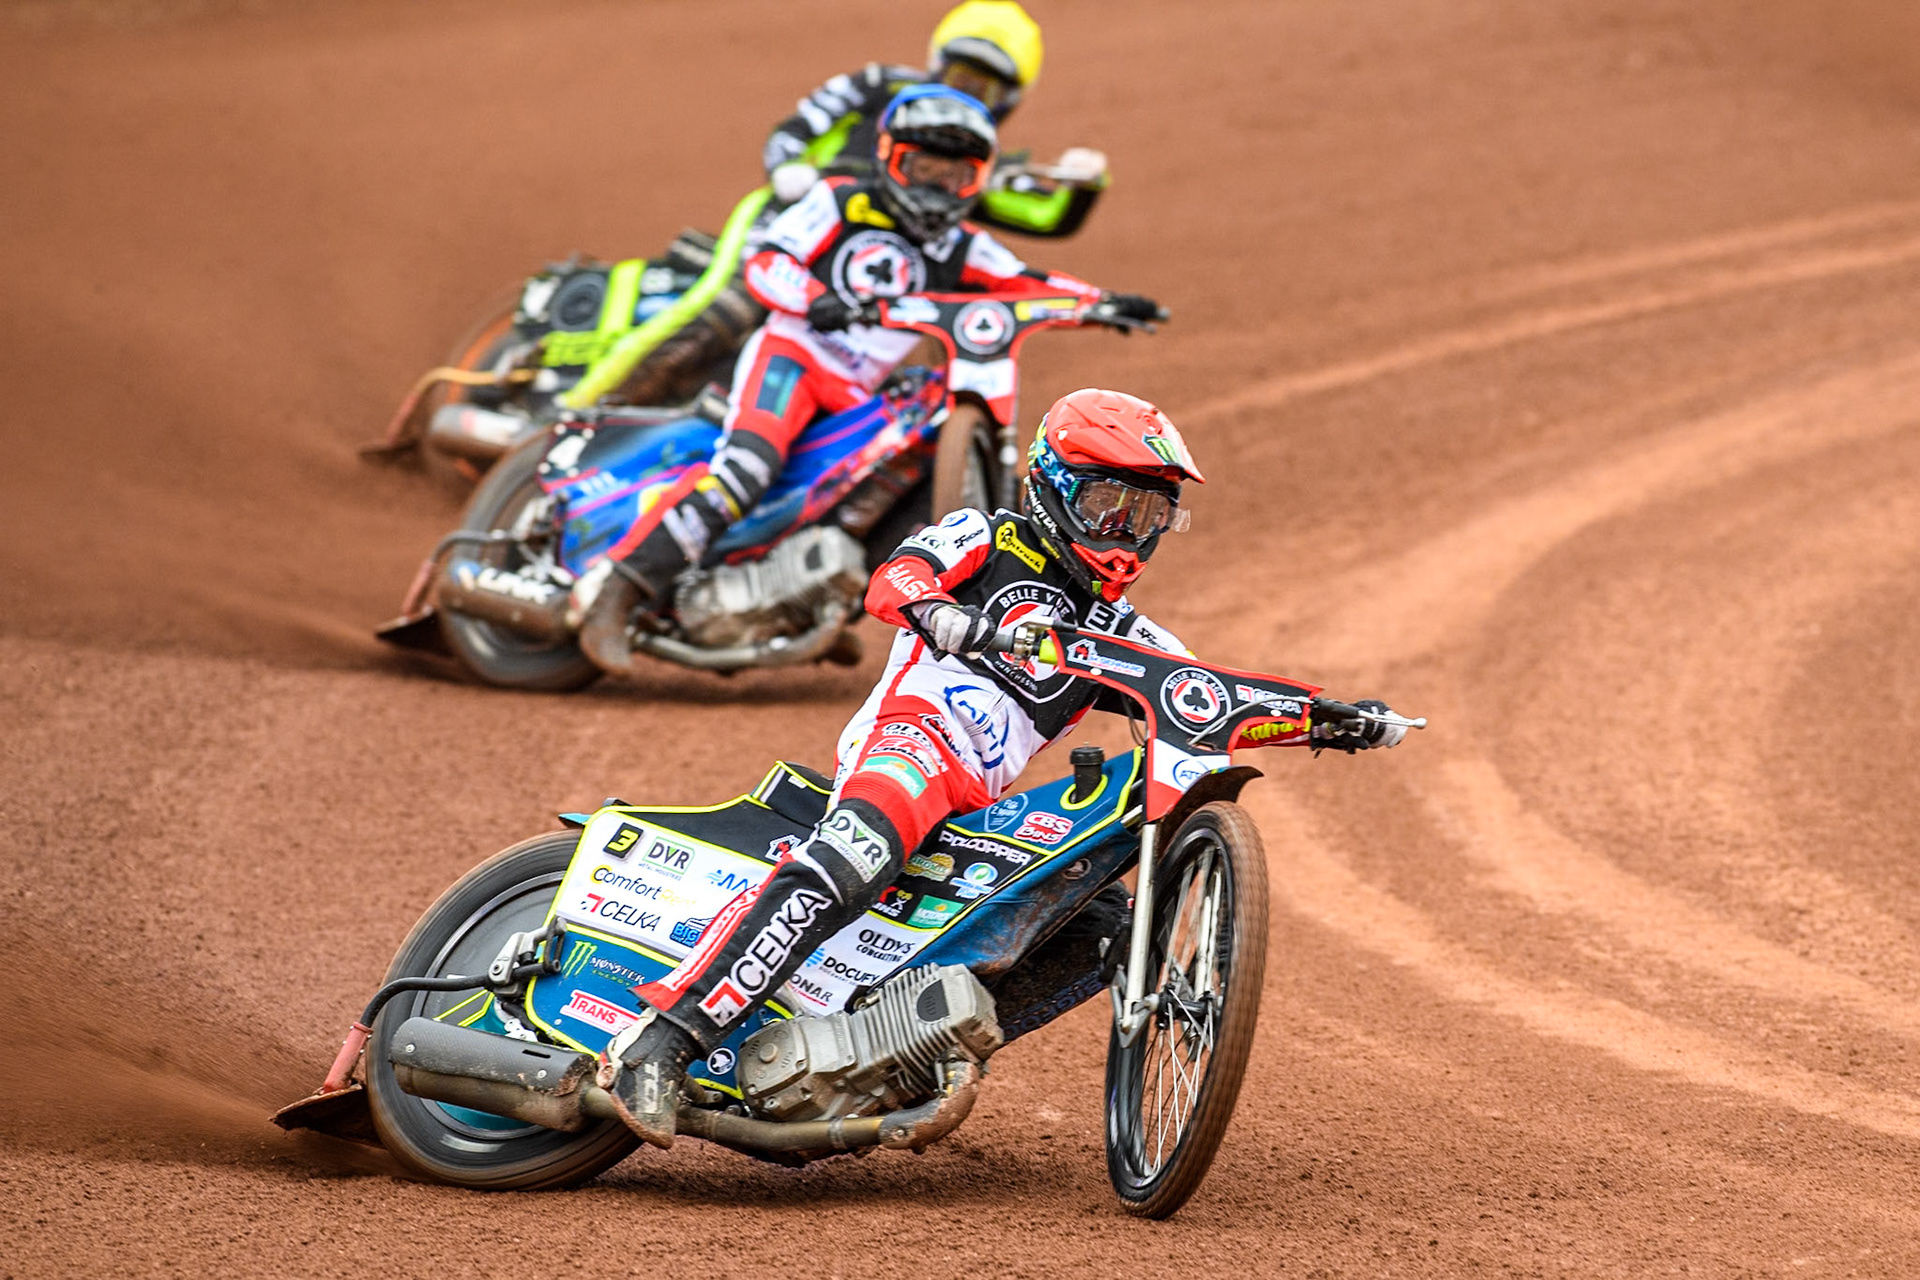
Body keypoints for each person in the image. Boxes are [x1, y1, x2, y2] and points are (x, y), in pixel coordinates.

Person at [595, 387, 1409, 1146]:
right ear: (1054, 486)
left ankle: (895, 1059)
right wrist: (941, 612)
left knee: (1100, 925)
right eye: (1108, 504)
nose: (1124, 532)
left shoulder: (1127, 633)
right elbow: (894, 578)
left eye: (1147, 513)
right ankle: (662, 1040)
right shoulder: (987, 537)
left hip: (977, 802)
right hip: (911, 740)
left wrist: (1327, 718)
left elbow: (1204, 695)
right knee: (858, 852)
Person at [569, 85, 1161, 669]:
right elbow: (768, 260)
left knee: (891, 485)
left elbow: (1029, 282)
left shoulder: (964, 246)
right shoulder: (839, 201)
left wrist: (1105, 303)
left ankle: (805, 602)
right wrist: (814, 298)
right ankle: (616, 593)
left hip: (857, 393)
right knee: (746, 468)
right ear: (888, 158)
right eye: (923, 168)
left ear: (978, 181)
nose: (936, 188)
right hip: (794, 358)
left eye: (955, 175)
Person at [762, 0, 1104, 239]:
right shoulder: (877, 85)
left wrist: (1084, 183)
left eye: (985, 90)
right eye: (960, 78)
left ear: (1009, 100)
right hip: (796, 224)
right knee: (735, 303)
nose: (965, 95)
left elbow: (1046, 216)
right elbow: (792, 132)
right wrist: (786, 169)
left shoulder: (983, 166)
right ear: (938, 65)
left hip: (891, 265)